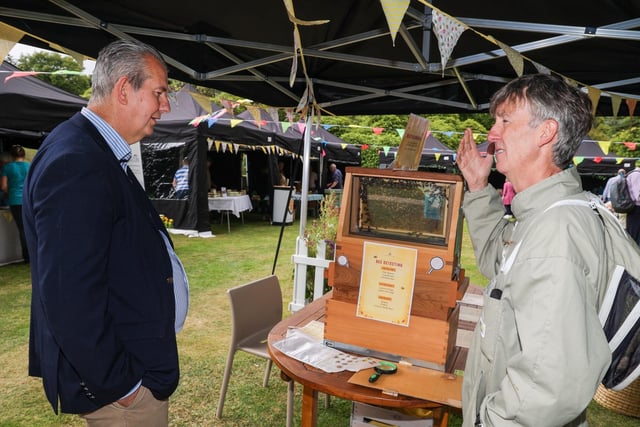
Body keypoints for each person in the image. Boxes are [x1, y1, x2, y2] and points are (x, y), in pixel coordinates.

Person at [23, 40, 189, 426]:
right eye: (159, 93)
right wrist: (123, 386)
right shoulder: (77, 160)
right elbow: (68, 294)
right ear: (123, 90)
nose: (165, 107)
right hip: (122, 393)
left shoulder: (93, 150)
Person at [456, 74, 611, 426]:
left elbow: (549, 386)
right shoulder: (542, 216)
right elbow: (501, 260)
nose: (492, 133)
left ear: (546, 132)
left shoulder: (555, 234)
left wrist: (487, 422)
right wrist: (479, 187)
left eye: (505, 121)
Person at [1, 144, 30, 262]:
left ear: (12, 156)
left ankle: (27, 256)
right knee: (31, 227)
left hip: (15, 200)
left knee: (22, 228)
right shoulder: (30, 166)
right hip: (28, 200)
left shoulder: (7, 167)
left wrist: (10, 191)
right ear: (23, 154)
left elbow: (3, 186)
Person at [625, 162, 640, 244]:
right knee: (634, 235)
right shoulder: (637, 175)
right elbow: (637, 195)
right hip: (636, 207)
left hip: (635, 207)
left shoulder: (633, 174)